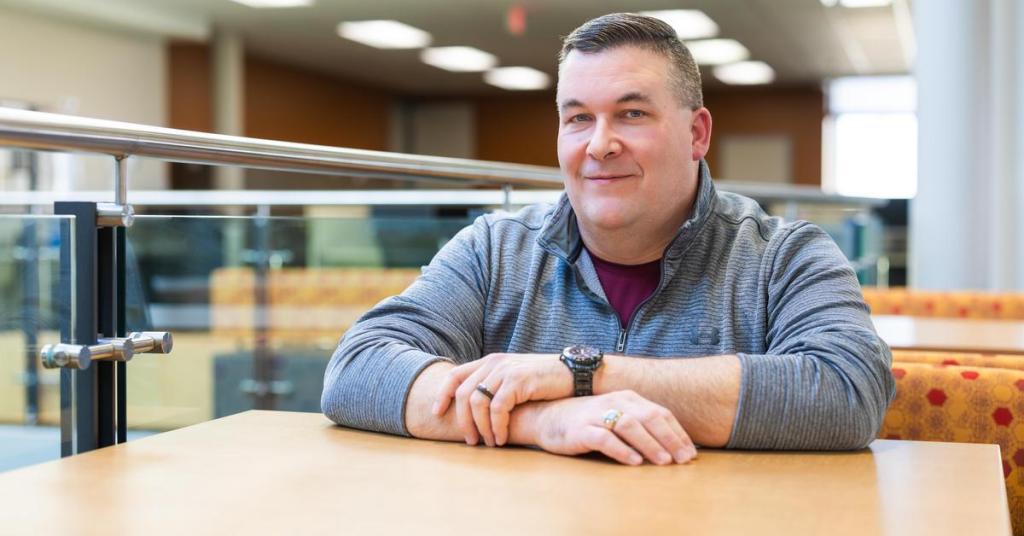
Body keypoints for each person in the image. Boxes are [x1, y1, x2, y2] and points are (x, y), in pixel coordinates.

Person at [321, 12, 895, 466]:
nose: (599, 145)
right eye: (578, 118)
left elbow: (849, 392)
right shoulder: (495, 250)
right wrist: (544, 421)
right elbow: (358, 369)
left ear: (696, 133)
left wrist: (584, 374)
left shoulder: (783, 255)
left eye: (632, 114)